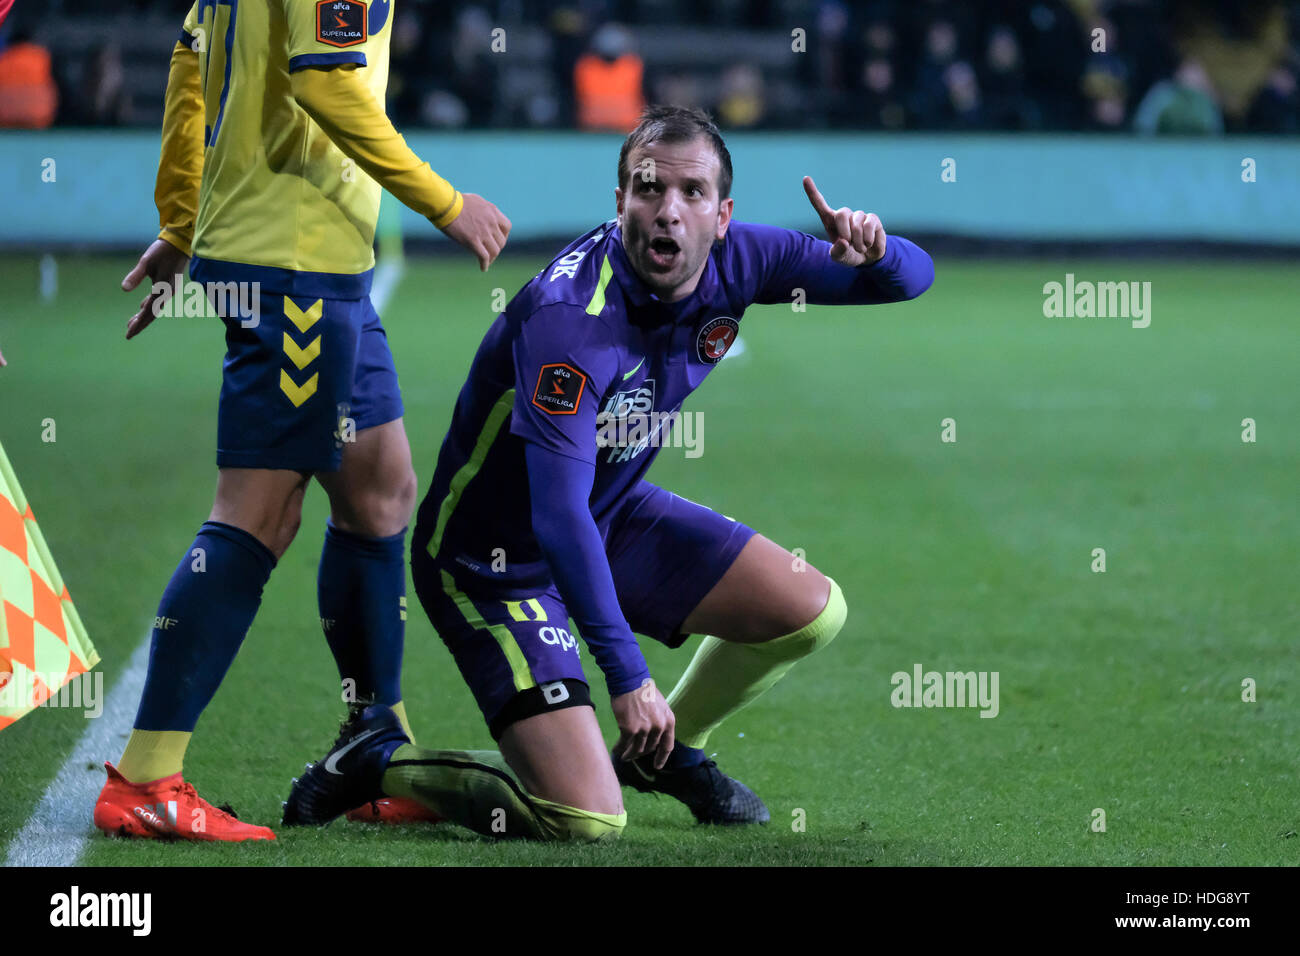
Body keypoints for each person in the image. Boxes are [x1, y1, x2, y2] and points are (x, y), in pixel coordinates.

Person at [284, 106, 934, 842]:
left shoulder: (746, 259)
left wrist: (875, 249)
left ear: (723, 216)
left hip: (609, 515)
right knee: (586, 819)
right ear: (619, 200)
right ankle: (378, 761)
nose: (667, 211)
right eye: (648, 189)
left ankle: (669, 752)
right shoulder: (571, 318)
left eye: (691, 194)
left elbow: (911, 279)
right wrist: (627, 677)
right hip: (490, 561)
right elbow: (555, 513)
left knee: (812, 611)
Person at [93, 0, 510, 842]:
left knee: (381, 491)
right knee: (257, 511)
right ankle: (145, 776)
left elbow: (189, 63)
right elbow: (327, 86)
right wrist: (443, 201)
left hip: (321, 263)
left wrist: (182, 219)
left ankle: (373, 737)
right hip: (294, 264)